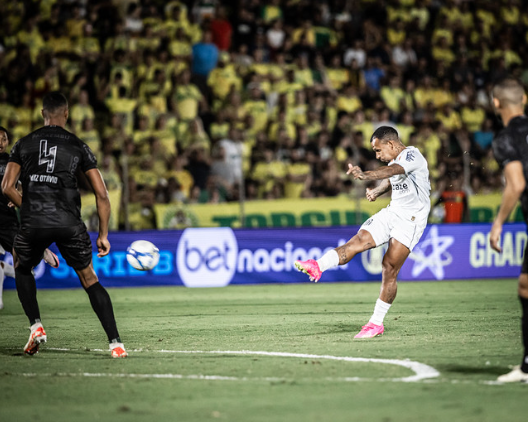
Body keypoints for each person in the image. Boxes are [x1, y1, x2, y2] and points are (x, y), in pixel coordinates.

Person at [1, 92, 127, 358]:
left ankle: (36, 325)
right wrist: (103, 234)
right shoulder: (78, 145)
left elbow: (7, 187)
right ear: (67, 114)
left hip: (34, 222)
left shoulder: (23, 144)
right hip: (69, 221)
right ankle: (116, 343)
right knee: (89, 278)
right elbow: (102, 194)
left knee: (22, 266)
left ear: (42, 113)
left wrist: (28, 206)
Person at [295, 126, 431, 338]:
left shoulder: (413, 155)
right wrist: (377, 190)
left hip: (411, 219)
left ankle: (376, 323)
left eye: (378, 151)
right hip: (393, 211)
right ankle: (318, 266)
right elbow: (392, 177)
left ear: (391, 144)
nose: (378, 155)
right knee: (359, 240)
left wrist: (366, 175)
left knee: (389, 266)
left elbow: (394, 171)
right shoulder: (396, 161)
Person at [489, 77, 528, 382]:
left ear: (496, 103)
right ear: (524, 99)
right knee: (526, 285)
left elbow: (516, 184)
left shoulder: (505, 139)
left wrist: (499, 222)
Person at [0, 126, 59, 310]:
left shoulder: (11, 160)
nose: (0, 143)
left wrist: (18, 193)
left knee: (20, 250)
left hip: (5, 216)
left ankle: (40, 250)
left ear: (8, 141)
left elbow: (23, 184)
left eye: (3, 139)